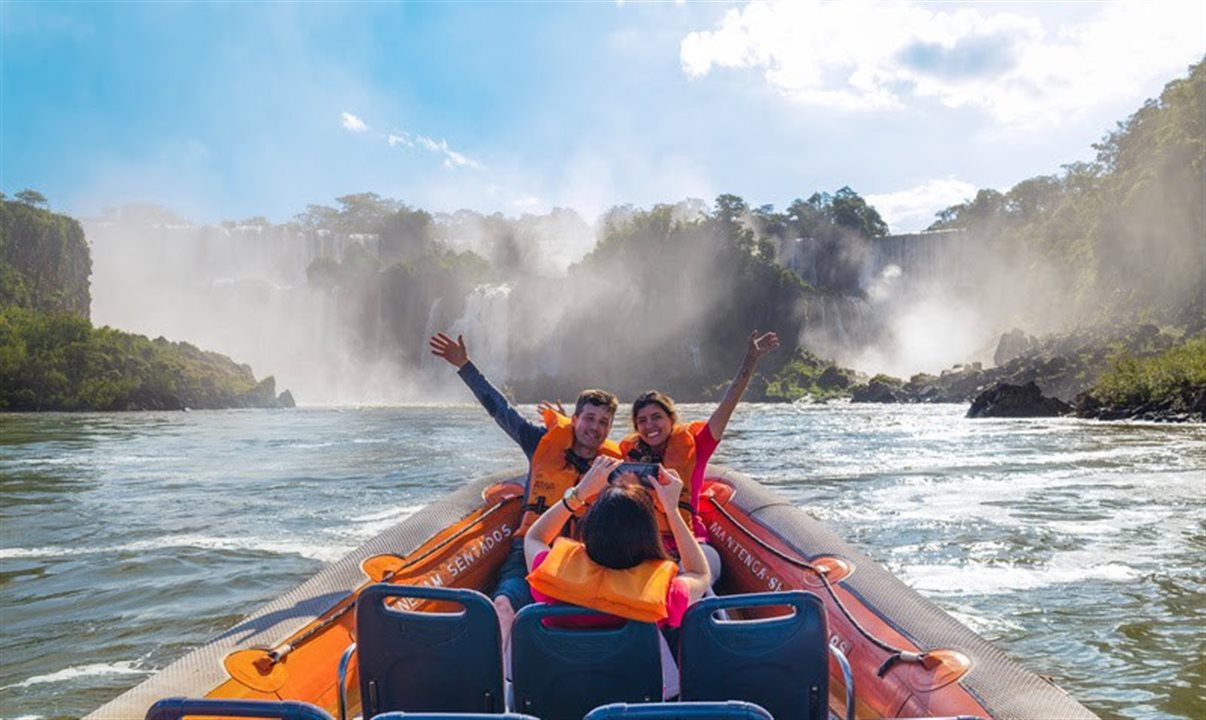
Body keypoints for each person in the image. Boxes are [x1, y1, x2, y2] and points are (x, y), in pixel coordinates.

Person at [428, 332, 621, 651]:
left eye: (604, 422)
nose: (595, 427)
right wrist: (465, 366)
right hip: (529, 553)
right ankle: (500, 696)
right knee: (502, 607)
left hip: (589, 556)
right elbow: (500, 410)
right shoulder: (540, 444)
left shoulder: (615, 466)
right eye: (589, 418)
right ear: (574, 420)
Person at [524, 456, 712, 698]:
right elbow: (700, 573)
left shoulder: (549, 573)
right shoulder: (666, 594)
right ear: (648, 536)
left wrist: (579, 493)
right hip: (633, 702)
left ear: (589, 527)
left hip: (563, 696)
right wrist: (673, 511)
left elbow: (534, 537)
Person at [620, 330, 779, 578]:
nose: (649, 426)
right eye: (642, 421)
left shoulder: (698, 445)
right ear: (636, 427)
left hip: (692, 543)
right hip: (645, 545)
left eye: (656, 417)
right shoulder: (627, 460)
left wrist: (751, 360)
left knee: (689, 576)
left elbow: (727, 405)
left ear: (671, 419)